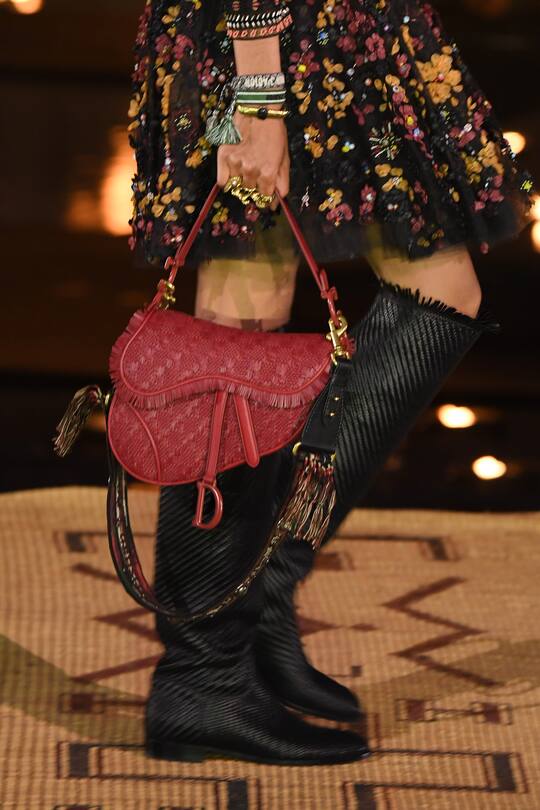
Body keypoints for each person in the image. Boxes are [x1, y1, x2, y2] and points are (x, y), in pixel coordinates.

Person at [128, 0, 533, 765]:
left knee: (248, 327)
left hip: (334, 37)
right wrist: (256, 92)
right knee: (236, 334)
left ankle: (248, 608)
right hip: (269, 45)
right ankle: (206, 672)